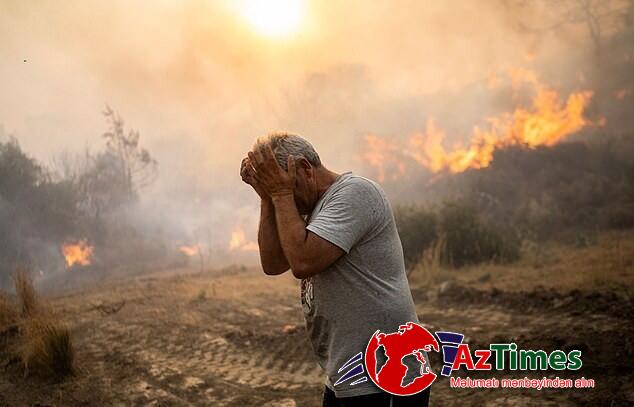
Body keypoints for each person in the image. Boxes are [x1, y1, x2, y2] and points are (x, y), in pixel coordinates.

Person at [240, 133, 431, 407]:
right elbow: (273, 264)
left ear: (305, 169)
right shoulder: (315, 207)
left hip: (387, 372)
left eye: (286, 188)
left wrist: (280, 195)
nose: (288, 202)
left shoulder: (356, 193)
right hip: (347, 370)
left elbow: (303, 263)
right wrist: (268, 198)